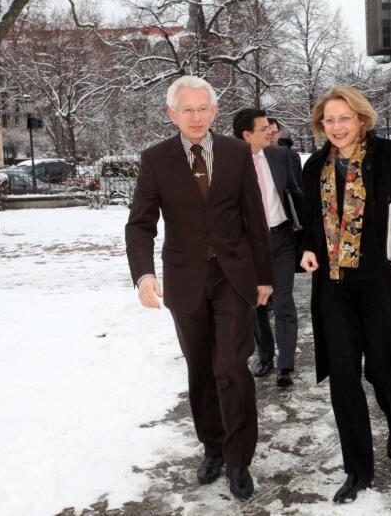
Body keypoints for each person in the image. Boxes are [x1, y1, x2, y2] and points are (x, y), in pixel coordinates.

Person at [125, 76, 273, 500]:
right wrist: (144, 273)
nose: (194, 116)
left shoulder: (237, 153)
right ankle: (213, 447)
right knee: (201, 369)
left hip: (234, 277)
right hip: (186, 280)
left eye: (201, 108)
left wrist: (264, 277)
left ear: (214, 112)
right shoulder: (155, 159)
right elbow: (140, 223)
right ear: (172, 115)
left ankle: (240, 457)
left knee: (230, 365)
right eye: (185, 109)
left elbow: (254, 220)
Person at [298, 85, 391, 503]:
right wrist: (308, 248)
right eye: (329, 120)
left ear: (362, 119)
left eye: (344, 118)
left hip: (381, 286)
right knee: (343, 379)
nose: (336, 127)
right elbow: (309, 223)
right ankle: (358, 470)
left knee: (384, 371)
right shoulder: (315, 167)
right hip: (334, 289)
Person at [233, 108, 304, 388]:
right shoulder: (230, 163)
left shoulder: (281, 155)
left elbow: (296, 192)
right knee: (257, 303)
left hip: (282, 238)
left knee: (284, 301)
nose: (271, 132)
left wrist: (302, 227)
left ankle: (286, 365)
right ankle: (265, 356)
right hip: (249, 243)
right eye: (264, 129)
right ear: (246, 135)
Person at [269, 117, 303, 186]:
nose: (270, 136)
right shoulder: (254, 156)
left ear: (279, 133)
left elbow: (299, 183)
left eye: (273, 132)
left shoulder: (292, 156)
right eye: (267, 132)